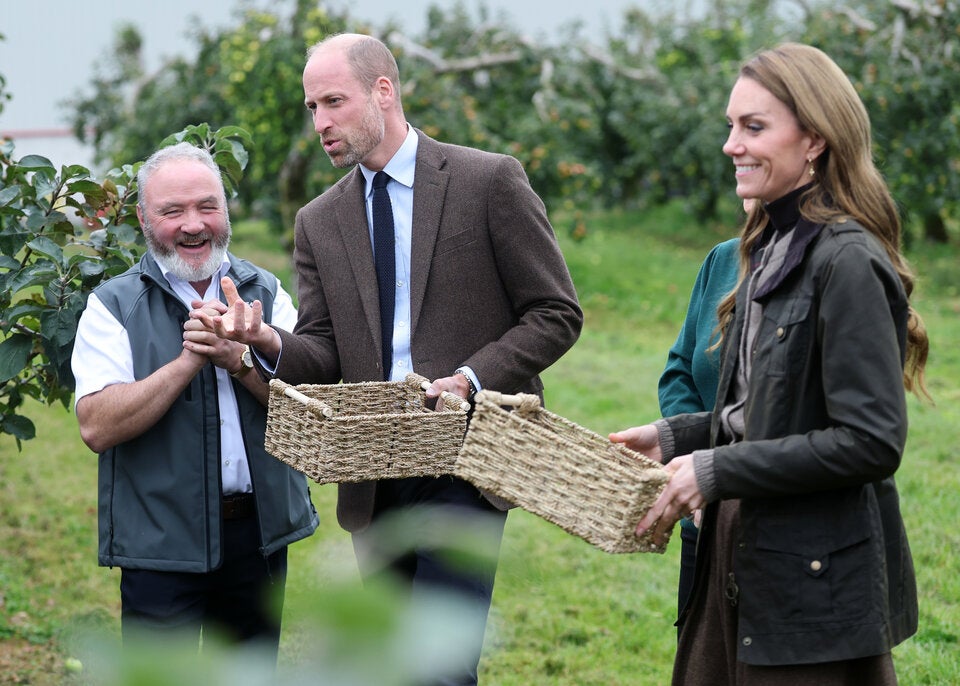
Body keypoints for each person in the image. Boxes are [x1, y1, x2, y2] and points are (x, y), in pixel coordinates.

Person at [198, 33, 583, 685]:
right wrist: (265, 344)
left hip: (467, 457)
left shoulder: (487, 180)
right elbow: (321, 353)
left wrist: (470, 376)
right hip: (373, 469)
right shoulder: (319, 220)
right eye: (311, 107)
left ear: (384, 90)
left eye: (333, 101)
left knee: (440, 668)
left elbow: (555, 313)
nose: (320, 122)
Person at [611, 43, 928, 684]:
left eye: (754, 127)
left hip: (810, 584)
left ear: (813, 140)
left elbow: (869, 443)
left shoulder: (847, 261)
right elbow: (769, 413)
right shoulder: (767, 245)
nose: (732, 144)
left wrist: (716, 467)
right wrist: (676, 436)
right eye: (731, 125)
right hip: (740, 551)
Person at [71, 142, 319, 664]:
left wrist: (240, 362)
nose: (193, 225)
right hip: (160, 539)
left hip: (258, 535)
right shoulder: (113, 305)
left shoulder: (267, 293)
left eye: (207, 206)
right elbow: (96, 425)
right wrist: (188, 361)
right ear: (143, 218)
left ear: (226, 209)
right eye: (172, 211)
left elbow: (308, 415)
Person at [657, 234, 739, 627]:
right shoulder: (723, 259)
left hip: (772, 529)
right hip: (703, 518)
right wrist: (687, 452)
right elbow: (679, 370)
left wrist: (715, 472)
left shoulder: (830, 264)